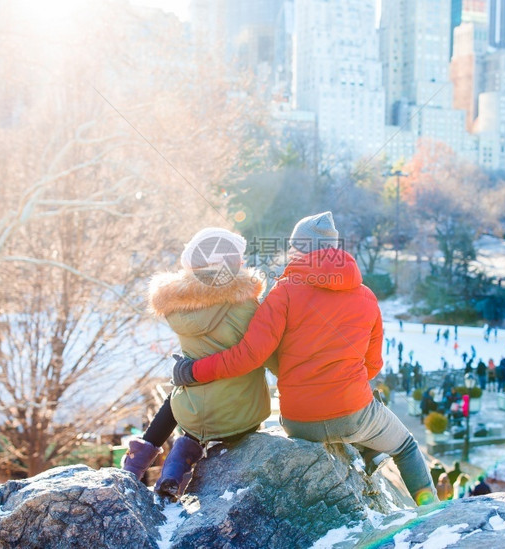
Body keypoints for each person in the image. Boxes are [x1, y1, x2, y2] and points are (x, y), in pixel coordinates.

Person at [171, 212, 437, 506]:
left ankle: (366, 447)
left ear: (300, 249)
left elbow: (249, 356)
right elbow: (373, 365)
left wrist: (194, 370)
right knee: (407, 446)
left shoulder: (283, 292)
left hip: (300, 421)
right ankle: (432, 509)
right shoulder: (366, 297)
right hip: (353, 412)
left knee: (356, 419)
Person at [122, 228, 272, 501]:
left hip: (193, 414)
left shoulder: (177, 307)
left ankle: (165, 465)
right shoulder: (248, 305)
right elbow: (265, 354)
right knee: (211, 387)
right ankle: (177, 458)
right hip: (241, 417)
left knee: (182, 391)